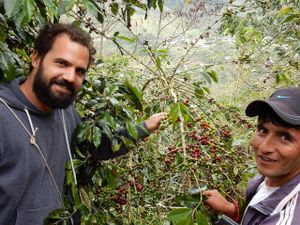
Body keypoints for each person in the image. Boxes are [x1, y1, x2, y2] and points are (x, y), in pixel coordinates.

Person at [0, 23, 165, 225]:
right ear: (36, 58)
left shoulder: (64, 111)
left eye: (80, 71)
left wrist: (144, 128)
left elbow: (96, 147)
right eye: (61, 63)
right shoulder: (4, 117)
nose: (70, 77)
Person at [203, 87, 300, 225]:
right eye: (262, 130)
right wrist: (232, 212)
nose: (264, 147)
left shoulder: (287, 218)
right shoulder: (269, 176)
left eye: (285, 137)